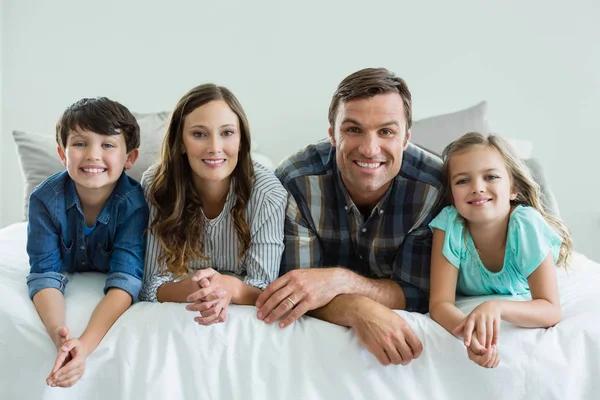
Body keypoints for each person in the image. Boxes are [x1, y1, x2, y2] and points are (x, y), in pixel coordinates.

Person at [255, 67, 445, 366]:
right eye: (353, 129)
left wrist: (340, 281)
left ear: (406, 138)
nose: (370, 149)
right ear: (332, 133)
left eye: (386, 131)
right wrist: (357, 309)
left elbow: (418, 293)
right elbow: (296, 289)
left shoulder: (432, 188)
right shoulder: (296, 181)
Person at [139, 84, 287, 326]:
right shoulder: (156, 185)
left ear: (241, 140)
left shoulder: (268, 194)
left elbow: (265, 288)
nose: (215, 147)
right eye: (199, 134)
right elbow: (149, 284)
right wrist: (191, 290)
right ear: (181, 143)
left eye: (227, 133)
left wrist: (229, 288)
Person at [26, 97, 149, 387]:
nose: (93, 155)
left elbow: (127, 280)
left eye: (107, 145)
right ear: (62, 153)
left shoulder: (135, 204)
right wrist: (61, 336)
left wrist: (85, 343)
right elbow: (44, 274)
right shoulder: (44, 200)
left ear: (129, 158)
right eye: (80, 144)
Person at [428, 132, 572, 368]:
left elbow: (550, 309)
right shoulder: (449, 225)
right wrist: (470, 334)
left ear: (513, 188)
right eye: (462, 181)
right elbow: (440, 304)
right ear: (452, 195)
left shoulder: (526, 225)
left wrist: (496, 307)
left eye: (491, 177)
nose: (477, 188)